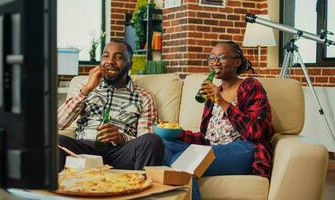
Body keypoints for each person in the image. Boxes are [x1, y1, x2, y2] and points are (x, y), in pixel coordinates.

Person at [163, 41, 274, 199]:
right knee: (161, 145)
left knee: (181, 161)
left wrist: (221, 101)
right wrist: (175, 132)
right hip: (212, 148)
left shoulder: (250, 86)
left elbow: (255, 131)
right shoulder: (214, 93)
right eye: (212, 58)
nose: (215, 62)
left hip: (245, 148)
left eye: (221, 57)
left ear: (237, 61)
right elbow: (206, 137)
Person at [58, 41, 164, 170]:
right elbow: (59, 123)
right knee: (55, 140)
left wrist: (121, 137)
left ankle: (142, 187)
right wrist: (87, 89)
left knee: (152, 141)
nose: (110, 61)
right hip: (84, 150)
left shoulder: (143, 97)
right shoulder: (85, 87)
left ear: (130, 64)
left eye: (118, 57)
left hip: (120, 152)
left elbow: (145, 137)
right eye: (106, 56)